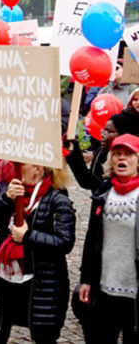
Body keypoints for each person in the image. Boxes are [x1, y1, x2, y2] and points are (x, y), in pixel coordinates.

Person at [0, 159, 75, 344]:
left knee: (43, 336)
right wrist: (6, 199)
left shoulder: (58, 200)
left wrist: (28, 236)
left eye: (20, 164)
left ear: (38, 169)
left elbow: (64, 242)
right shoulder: (14, 193)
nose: (13, 168)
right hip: (5, 279)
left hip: (39, 285)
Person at [78, 133, 139, 343]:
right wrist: (86, 279)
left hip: (134, 292)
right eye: (117, 154)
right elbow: (92, 238)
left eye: (129, 154)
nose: (122, 159)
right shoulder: (105, 192)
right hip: (105, 288)